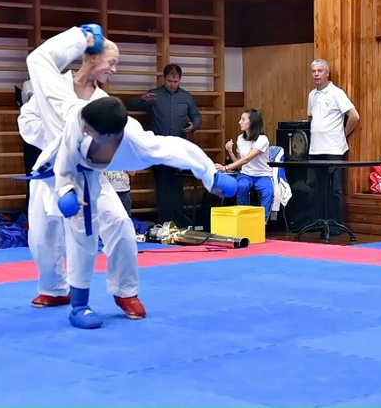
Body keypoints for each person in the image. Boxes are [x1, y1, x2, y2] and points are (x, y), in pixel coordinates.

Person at [38, 96, 236, 329]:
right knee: (83, 233)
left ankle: (126, 292)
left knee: (122, 224)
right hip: (73, 174)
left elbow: (179, 149)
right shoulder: (79, 120)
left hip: (102, 170)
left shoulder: (136, 143)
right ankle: (79, 306)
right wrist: (66, 191)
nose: (84, 129)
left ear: (109, 135)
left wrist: (211, 176)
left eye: (90, 129)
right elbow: (64, 163)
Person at [17, 24, 119, 307]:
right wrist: (57, 142)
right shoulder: (54, 85)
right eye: (111, 62)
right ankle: (53, 288)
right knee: (41, 234)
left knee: (111, 225)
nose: (114, 70)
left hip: (87, 175)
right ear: (92, 58)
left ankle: (120, 290)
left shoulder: (103, 101)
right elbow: (26, 120)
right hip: (50, 170)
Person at [128, 64, 201, 225]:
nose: (172, 84)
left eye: (176, 81)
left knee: (177, 185)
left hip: (179, 148)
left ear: (180, 80)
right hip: (158, 148)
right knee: (162, 185)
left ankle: (179, 221)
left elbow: (196, 116)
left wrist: (194, 126)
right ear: (164, 78)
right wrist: (142, 99)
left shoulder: (186, 97)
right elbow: (131, 105)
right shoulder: (154, 95)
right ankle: (165, 221)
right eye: (170, 81)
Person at [306, 59, 359, 226]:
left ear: (327, 73)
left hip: (333, 149)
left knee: (334, 188)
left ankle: (335, 225)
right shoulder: (312, 95)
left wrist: (343, 134)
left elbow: (354, 116)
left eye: (320, 71)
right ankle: (317, 222)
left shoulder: (336, 93)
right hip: (315, 149)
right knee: (314, 187)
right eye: (313, 71)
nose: (316, 74)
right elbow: (311, 117)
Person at [220, 109, 274, 219]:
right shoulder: (240, 139)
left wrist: (226, 167)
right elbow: (240, 163)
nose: (239, 122)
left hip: (263, 175)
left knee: (269, 192)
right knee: (241, 187)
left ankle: (263, 221)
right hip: (246, 174)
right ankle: (244, 219)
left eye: (243, 119)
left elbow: (247, 159)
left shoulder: (262, 139)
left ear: (252, 122)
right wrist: (230, 152)